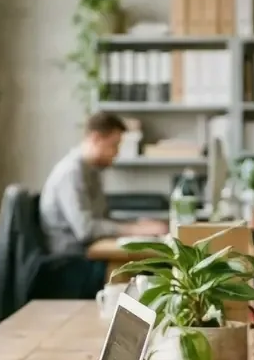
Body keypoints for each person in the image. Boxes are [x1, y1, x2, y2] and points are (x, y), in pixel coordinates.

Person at [39, 112, 167, 296]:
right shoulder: (71, 173)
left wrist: (139, 225)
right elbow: (86, 230)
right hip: (71, 263)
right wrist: (135, 229)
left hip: (89, 254)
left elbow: (102, 219)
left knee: (150, 266)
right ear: (96, 138)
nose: (116, 153)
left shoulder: (91, 172)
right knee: (133, 271)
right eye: (114, 145)